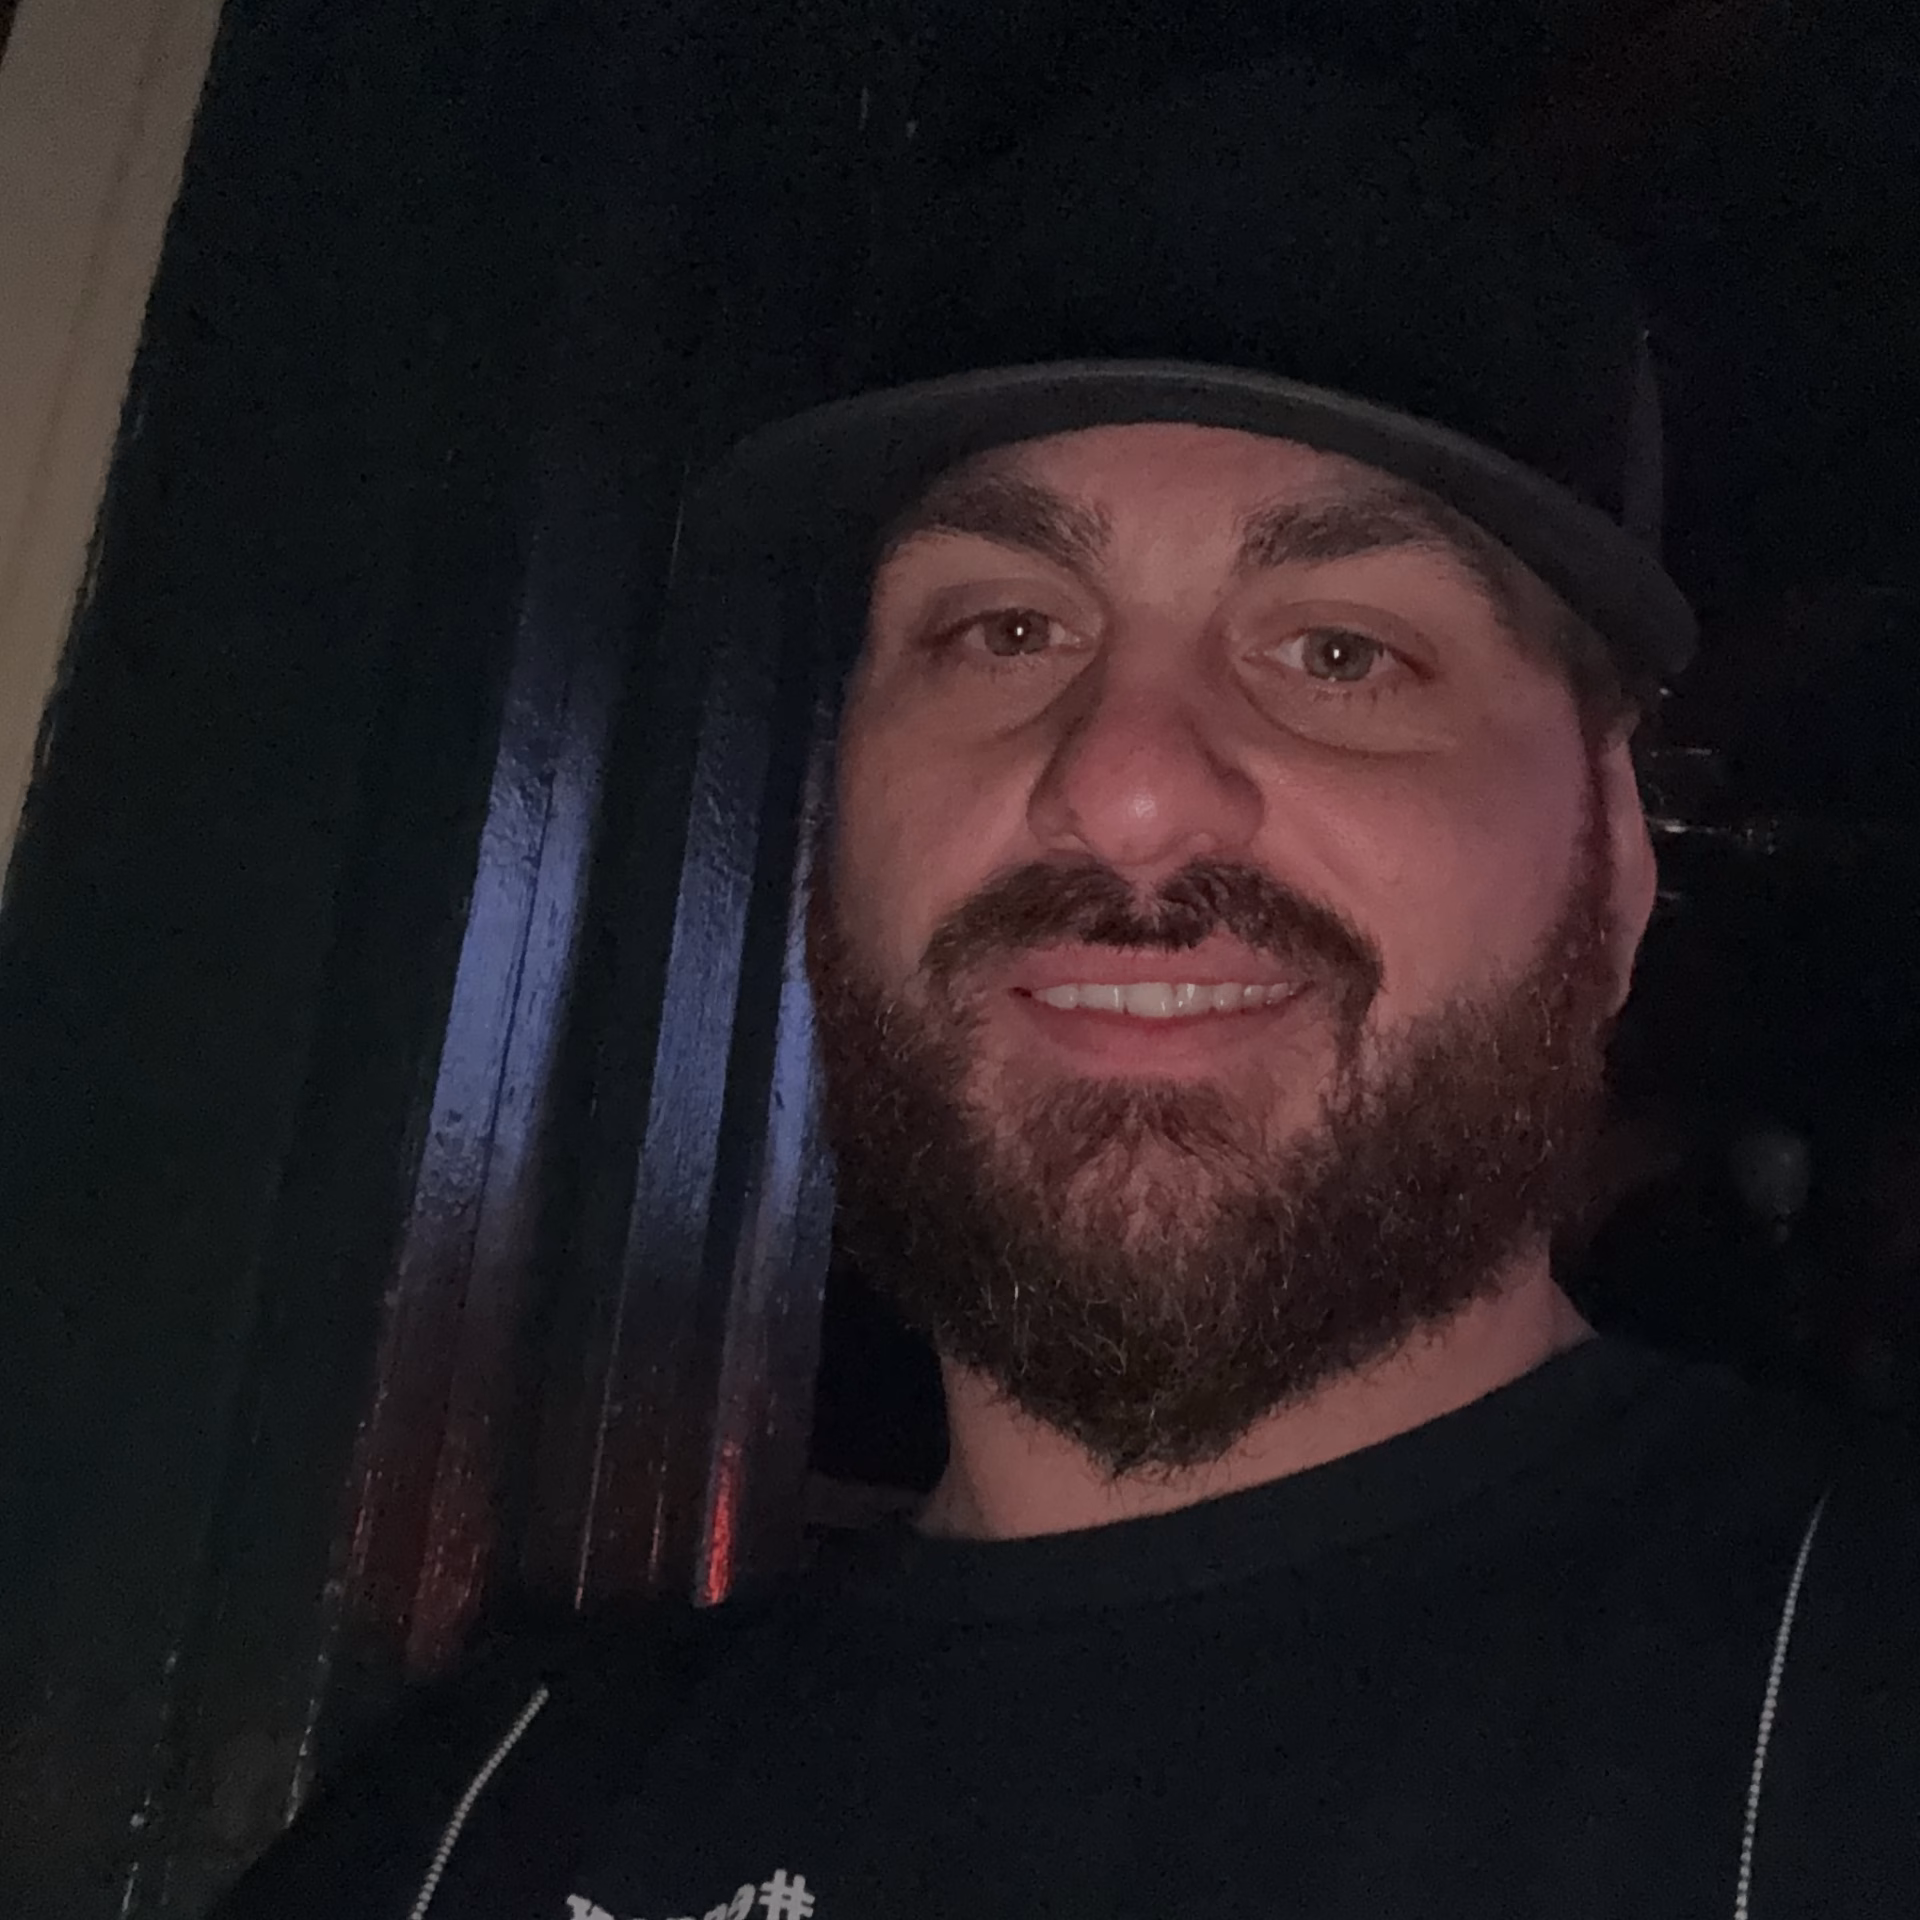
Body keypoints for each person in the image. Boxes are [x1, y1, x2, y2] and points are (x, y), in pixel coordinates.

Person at [212, 59, 1920, 1920]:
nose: (1122, 787)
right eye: (1004, 629)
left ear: (1615, 867)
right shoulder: (471, 1834)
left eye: (1341, 651)